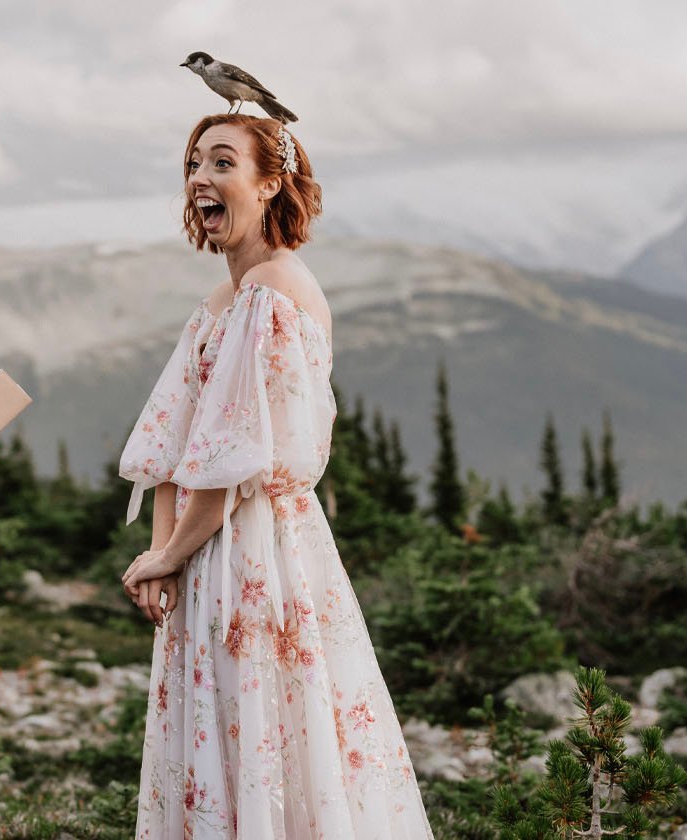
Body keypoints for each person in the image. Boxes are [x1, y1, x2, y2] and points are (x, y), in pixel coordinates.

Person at [119, 115, 434, 838]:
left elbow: (235, 466)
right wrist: (166, 559)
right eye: (195, 162)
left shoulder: (270, 293)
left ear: (269, 186)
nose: (200, 177)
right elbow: (173, 446)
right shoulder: (223, 302)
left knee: (268, 735)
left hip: (255, 551)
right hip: (209, 555)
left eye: (222, 162)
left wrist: (167, 554)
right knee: (233, 735)